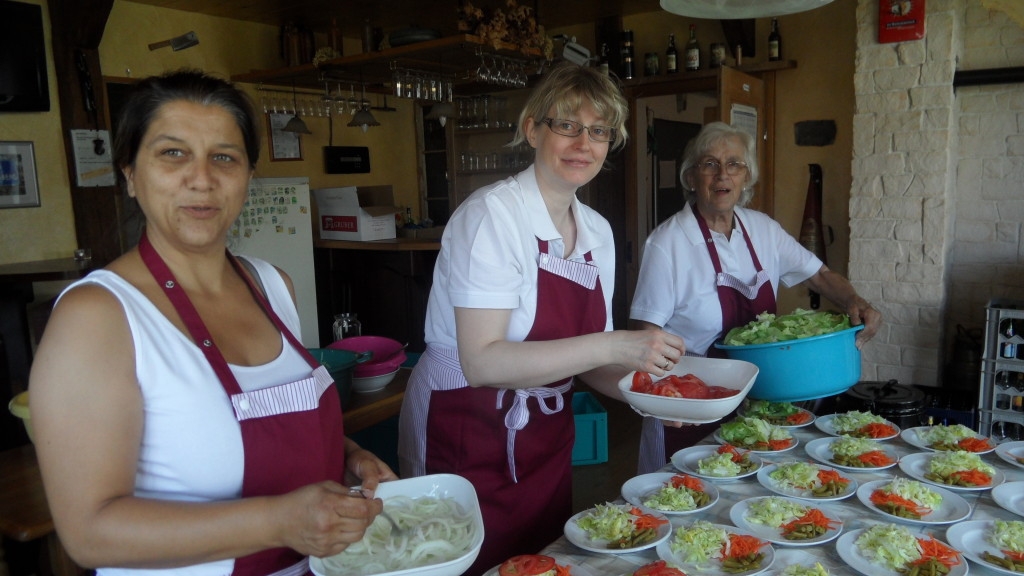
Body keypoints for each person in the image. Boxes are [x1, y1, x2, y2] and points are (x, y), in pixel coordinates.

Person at [29, 69, 398, 576]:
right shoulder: (97, 316)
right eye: (172, 153)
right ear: (131, 174)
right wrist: (276, 521)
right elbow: (90, 532)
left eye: (224, 157)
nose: (201, 179)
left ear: (248, 175)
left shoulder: (272, 286)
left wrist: (349, 457)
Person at [397, 62, 685, 574]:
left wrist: (649, 397)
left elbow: (588, 363)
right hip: (464, 427)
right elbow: (483, 363)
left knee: (541, 556)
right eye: (567, 125)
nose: (583, 143)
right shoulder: (491, 217)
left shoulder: (596, 232)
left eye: (599, 131)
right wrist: (617, 345)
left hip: (545, 437)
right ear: (533, 128)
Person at [629, 121, 882, 474]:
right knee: (684, 497)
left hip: (760, 399)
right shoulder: (668, 242)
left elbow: (820, 275)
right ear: (691, 177)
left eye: (734, 164)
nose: (722, 175)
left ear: (747, 178)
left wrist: (856, 302)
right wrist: (665, 403)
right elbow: (644, 335)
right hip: (692, 405)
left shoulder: (762, 230)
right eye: (710, 164)